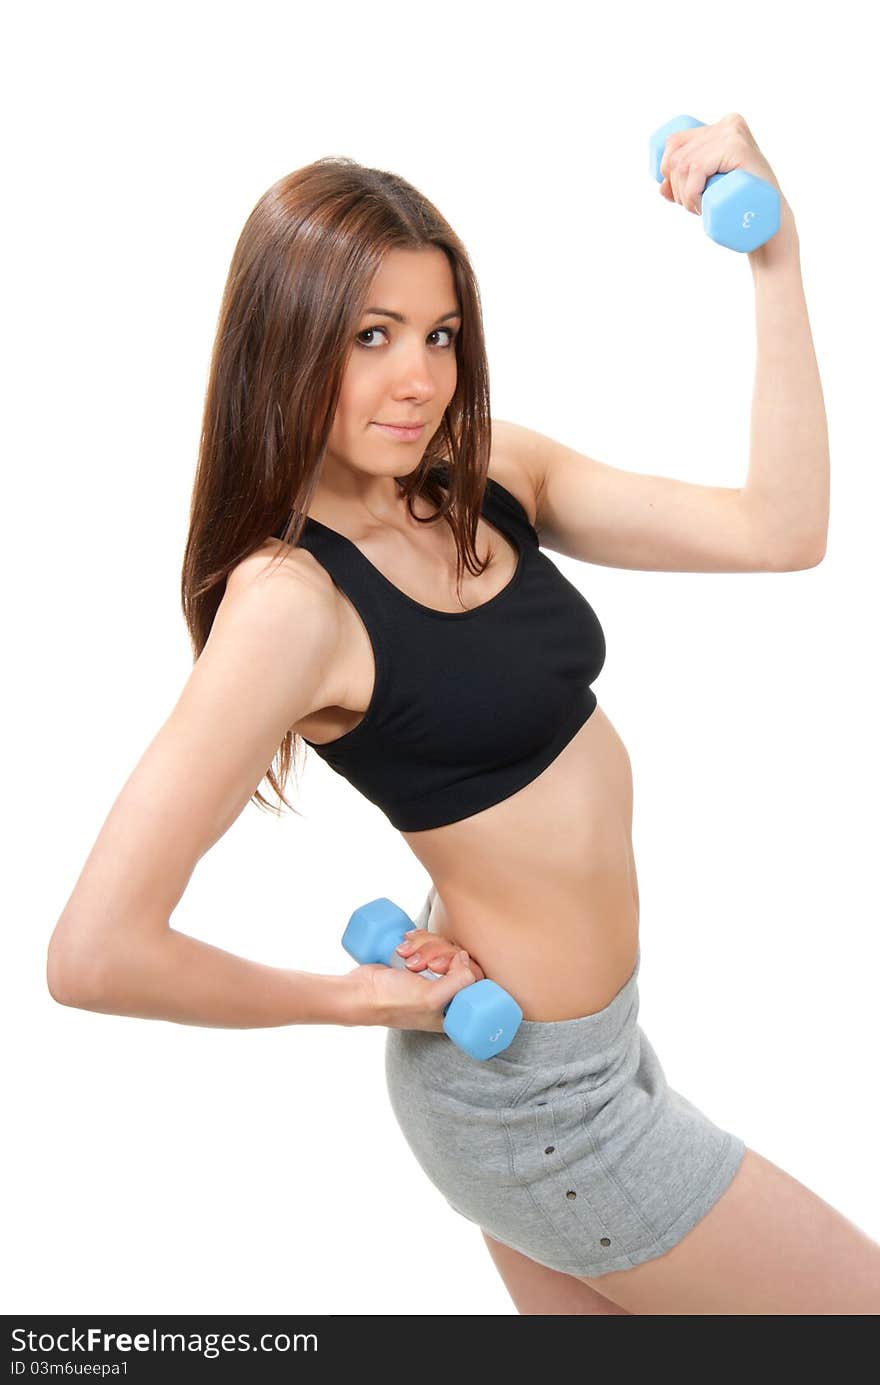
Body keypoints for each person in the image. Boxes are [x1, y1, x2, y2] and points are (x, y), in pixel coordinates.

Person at [46, 119, 880, 1315]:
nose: (419, 377)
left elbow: (779, 530)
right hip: (530, 1101)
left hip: (590, 1050)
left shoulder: (486, 472)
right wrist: (360, 996)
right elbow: (95, 951)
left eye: (437, 333)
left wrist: (775, 256)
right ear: (282, 347)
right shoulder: (290, 602)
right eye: (368, 337)